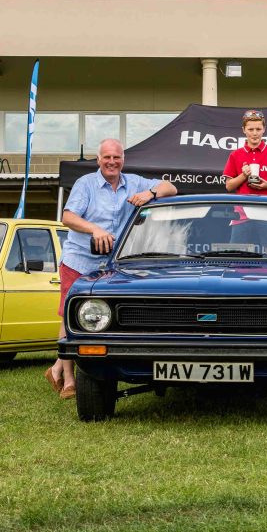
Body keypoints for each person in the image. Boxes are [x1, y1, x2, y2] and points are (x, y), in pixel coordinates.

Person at [47, 138, 177, 399]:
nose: (112, 162)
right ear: (98, 160)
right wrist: (95, 229)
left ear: (123, 160)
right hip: (80, 259)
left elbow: (171, 188)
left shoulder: (135, 182)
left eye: (116, 157)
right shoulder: (86, 185)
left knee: (102, 318)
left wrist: (150, 194)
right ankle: (70, 380)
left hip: (113, 265)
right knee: (70, 315)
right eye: (107, 157)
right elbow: (67, 217)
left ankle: (58, 368)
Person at [223, 109, 267, 252]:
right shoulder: (235, 154)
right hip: (242, 212)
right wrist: (243, 175)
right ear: (244, 130)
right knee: (236, 252)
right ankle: (237, 275)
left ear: (264, 129)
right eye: (251, 129)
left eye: (258, 129)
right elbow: (228, 186)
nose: (254, 133)